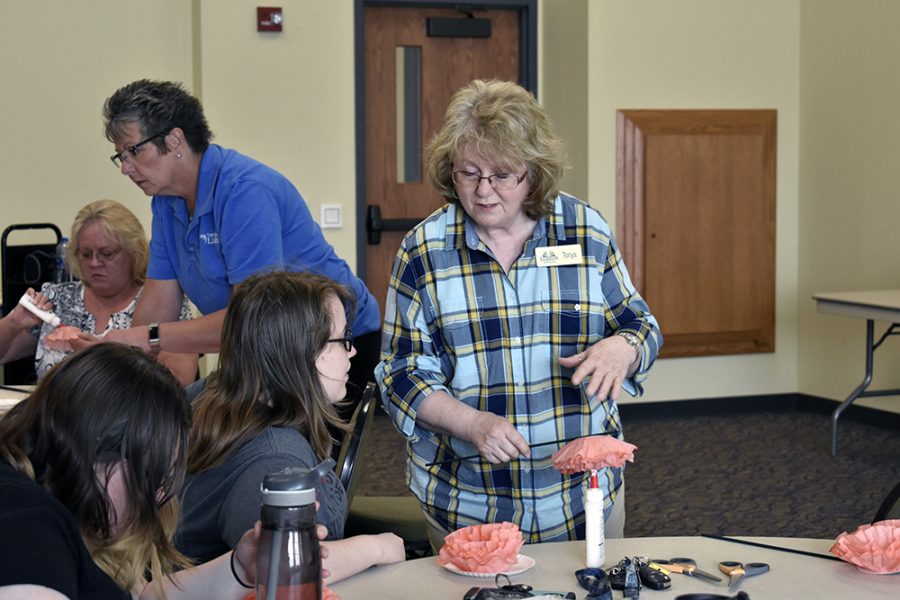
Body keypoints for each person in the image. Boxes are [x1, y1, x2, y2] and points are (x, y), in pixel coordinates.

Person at [376, 80, 663, 548]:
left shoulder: (584, 231)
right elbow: (400, 374)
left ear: (534, 171)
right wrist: (472, 424)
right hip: (470, 502)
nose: (484, 191)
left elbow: (642, 326)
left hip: (581, 497)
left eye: (502, 174)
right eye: (469, 173)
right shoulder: (424, 250)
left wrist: (623, 348)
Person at [92, 79, 380, 407]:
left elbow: (249, 323)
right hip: (267, 350)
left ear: (175, 140)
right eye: (120, 156)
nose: (126, 168)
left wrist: (147, 338)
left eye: (133, 151)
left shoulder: (245, 191)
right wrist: (110, 350)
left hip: (331, 346)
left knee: (267, 451)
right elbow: (158, 307)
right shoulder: (166, 201)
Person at [177, 271, 404, 584]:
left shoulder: (215, 392)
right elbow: (292, 571)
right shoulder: (276, 459)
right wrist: (378, 547)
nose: (352, 351)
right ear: (303, 352)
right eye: (343, 340)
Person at [0, 343, 262, 599]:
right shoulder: (26, 523)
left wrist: (240, 568)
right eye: (152, 477)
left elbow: (143, 595)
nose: (159, 497)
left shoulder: (69, 512)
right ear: (95, 450)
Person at [0, 199, 197, 385]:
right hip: (55, 417)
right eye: (86, 254)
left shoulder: (164, 302)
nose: (94, 263)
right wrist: (13, 322)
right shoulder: (59, 299)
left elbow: (179, 381)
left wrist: (107, 357)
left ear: (133, 253)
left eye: (106, 253)